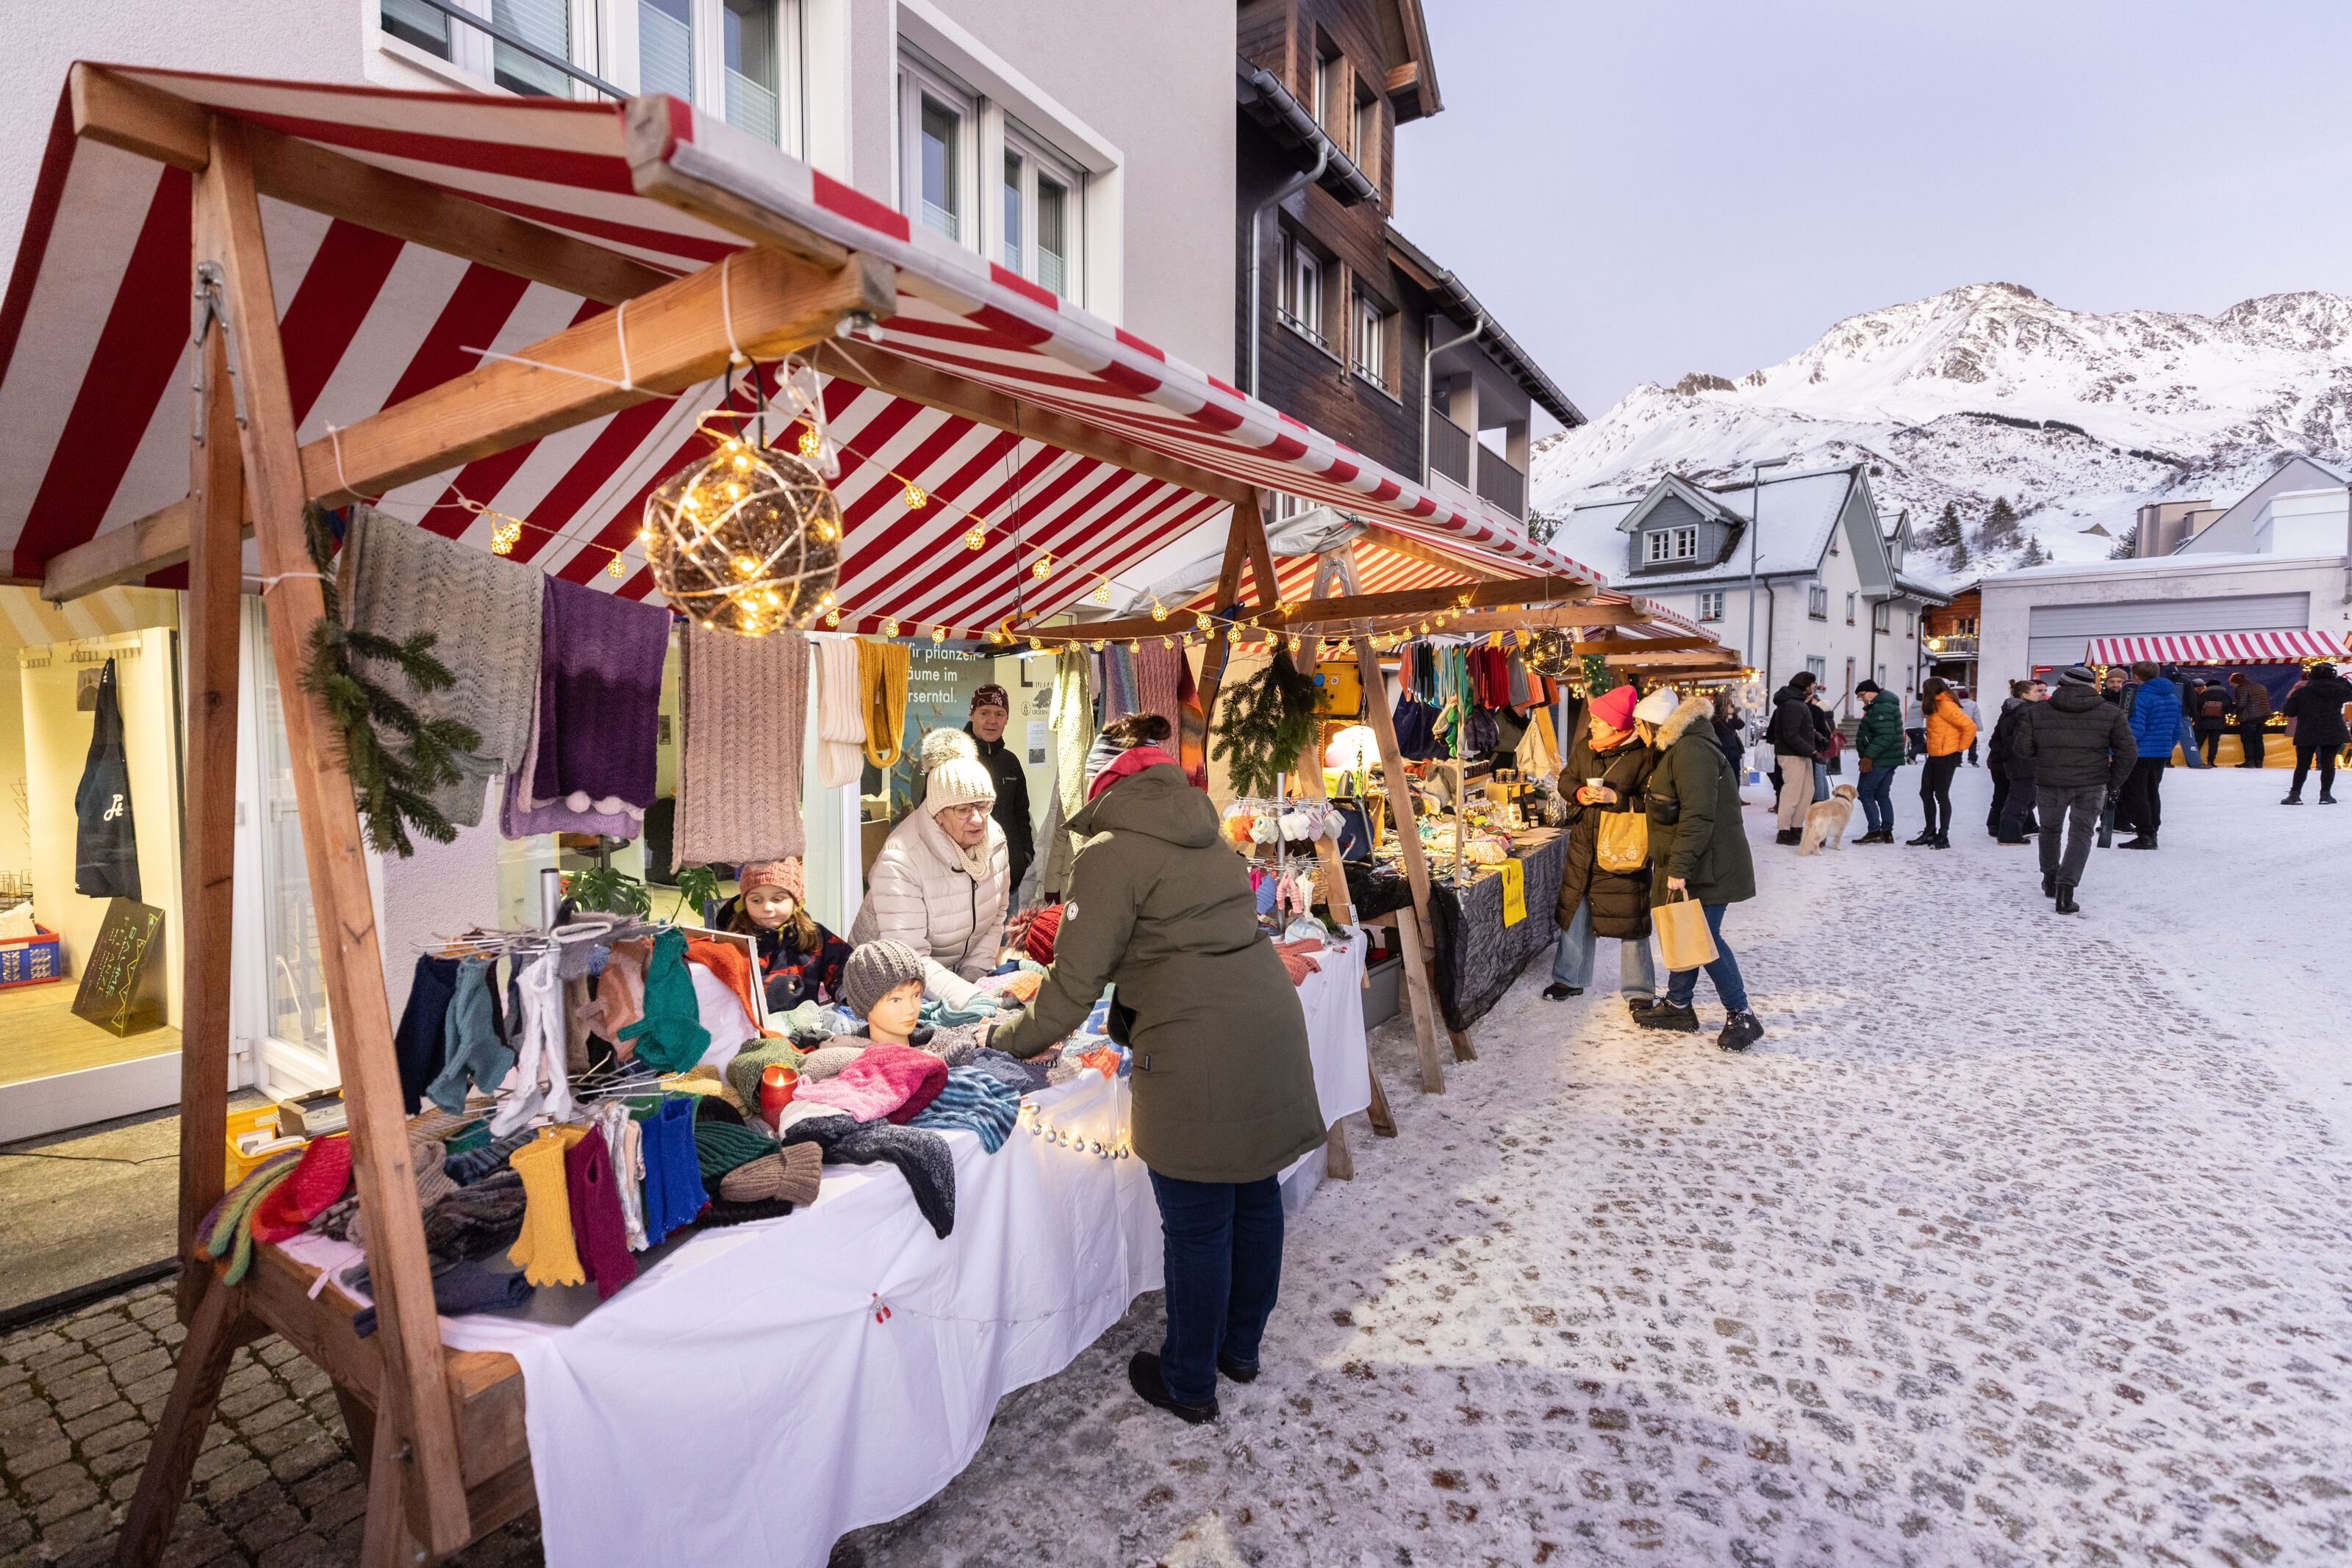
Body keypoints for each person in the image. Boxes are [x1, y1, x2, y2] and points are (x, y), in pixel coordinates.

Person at [987, 736, 1323, 1424]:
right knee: (1254, 1194)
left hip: (1199, 1048)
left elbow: (1073, 984)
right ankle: (1239, 1349)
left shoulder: (1111, 854)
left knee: (1199, 1223)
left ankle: (1190, 1381)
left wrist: (1005, 1037)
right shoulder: (1208, 838)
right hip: (1266, 1029)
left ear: (1109, 793)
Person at [1630, 688, 1763, 1051]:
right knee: (1690, 932)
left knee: (1704, 939)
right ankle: (1678, 1005)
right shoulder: (1682, 747)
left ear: (1652, 724)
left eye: (1639, 725)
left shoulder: (1691, 751)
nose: (1638, 732)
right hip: (1701, 861)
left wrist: (1679, 866)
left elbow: (1698, 815)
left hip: (1710, 864)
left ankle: (1742, 1014)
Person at [848, 729, 1013, 1011]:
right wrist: (971, 998)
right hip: (887, 985)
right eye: (962, 809)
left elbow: (996, 915)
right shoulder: (901, 859)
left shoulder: (995, 841)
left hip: (950, 978)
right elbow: (909, 957)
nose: (978, 820)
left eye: (984, 805)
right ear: (938, 813)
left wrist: (974, 975)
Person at [1544, 684, 1658, 1011]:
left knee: (1630, 914)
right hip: (1584, 844)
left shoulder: (1644, 755)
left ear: (1616, 724)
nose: (1591, 724)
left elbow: (1653, 802)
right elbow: (1566, 779)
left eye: (1597, 719)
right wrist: (1579, 793)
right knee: (1576, 910)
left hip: (1623, 846)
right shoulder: (1586, 748)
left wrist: (1616, 798)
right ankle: (1569, 978)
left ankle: (1639, 990)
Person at [2014, 665, 2136, 914]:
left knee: (2050, 830)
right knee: (2081, 834)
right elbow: (2128, 752)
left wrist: (2047, 754)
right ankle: (2065, 892)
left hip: (2050, 781)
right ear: (2093, 686)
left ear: (2061, 684)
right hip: (2091, 782)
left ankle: (2050, 878)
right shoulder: (2110, 713)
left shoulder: (2039, 712)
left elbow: (2023, 749)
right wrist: (2113, 781)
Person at [714, 857, 851, 1013]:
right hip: (752, 1032)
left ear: (796, 901)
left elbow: (846, 966)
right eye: (756, 900)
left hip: (804, 1029)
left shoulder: (814, 935)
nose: (767, 907)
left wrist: (848, 993)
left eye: (778, 899)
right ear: (744, 903)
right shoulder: (734, 941)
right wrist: (768, 989)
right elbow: (721, 991)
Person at [964, 685, 1034, 896]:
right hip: (967, 887)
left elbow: (1022, 814)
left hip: (1009, 884)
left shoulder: (1011, 762)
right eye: (984, 712)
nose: (992, 720)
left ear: (1007, 719)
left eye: (999, 714)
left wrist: (1025, 856)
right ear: (972, 715)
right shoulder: (954, 760)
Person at [1910, 677, 1975, 849]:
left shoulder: (1946, 705)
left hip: (1947, 755)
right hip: (1935, 754)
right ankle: (1930, 831)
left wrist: (1961, 748)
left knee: (1941, 795)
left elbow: (1969, 727)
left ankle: (1943, 835)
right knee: (1925, 792)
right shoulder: (1936, 705)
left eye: (1925, 689)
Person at [2117, 660, 2176, 849]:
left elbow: (2136, 729)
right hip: (2160, 753)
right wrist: (2167, 747)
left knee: (2136, 793)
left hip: (2140, 753)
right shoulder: (2172, 697)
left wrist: (2117, 749)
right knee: (2152, 792)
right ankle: (2152, 830)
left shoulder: (2141, 697)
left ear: (2136, 676)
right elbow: (2177, 729)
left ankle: (2145, 834)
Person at [1765, 672, 1825, 846]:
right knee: (1792, 794)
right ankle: (1784, 831)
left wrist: (1817, 736)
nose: (1815, 688)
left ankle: (1796, 828)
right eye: (1814, 685)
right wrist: (1813, 752)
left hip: (1801, 753)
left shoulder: (1797, 703)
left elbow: (1798, 729)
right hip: (1792, 754)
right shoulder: (1792, 704)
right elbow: (1790, 734)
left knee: (1807, 792)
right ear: (1807, 686)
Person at [2281, 661, 2351, 804]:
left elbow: (2289, 711)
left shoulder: (2302, 692)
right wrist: (2342, 680)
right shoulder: (2338, 691)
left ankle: (2295, 794)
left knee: (2302, 764)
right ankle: (2325, 795)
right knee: (2328, 763)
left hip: (2307, 730)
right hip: (2332, 730)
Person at [1851, 678, 1904, 843]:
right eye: (1859, 697)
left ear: (1872, 691)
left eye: (1862, 695)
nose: (1862, 699)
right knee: (1881, 794)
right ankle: (1887, 831)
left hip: (1880, 759)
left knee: (1865, 793)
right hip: (1886, 758)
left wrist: (1869, 756)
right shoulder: (1884, 705)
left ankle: (1875, 830)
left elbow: (1886, 736)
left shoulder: (1882, 707)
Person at [2229, 670, 2270, 767]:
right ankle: (2259, 761)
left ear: (2236, 682)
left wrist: (2233, 706)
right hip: (2263, 715)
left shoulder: (2242, 689)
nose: (2231, 685)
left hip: (2249, 717)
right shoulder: (2260, 686)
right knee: (2258, 738)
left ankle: (2250, 761)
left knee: (2248, 739)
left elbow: (2241, 704)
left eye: (2231, 683)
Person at [2175, 675, 2211, 769]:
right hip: (2183, 715)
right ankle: (2195, 762)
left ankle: (2164, 761)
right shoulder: (2186, 681)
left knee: (2165, 739)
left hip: (2166, 715)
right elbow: (2191, 700)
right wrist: (2195, 715)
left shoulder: (2163, 681)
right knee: (2189, 739)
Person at [1709, 688, 1746, 771]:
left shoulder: (1710, 715)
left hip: (1716, 749)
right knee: (1735, 773)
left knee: (1720, 774)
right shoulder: (1731, 714)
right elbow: (1741, 725)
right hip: (1733, 749)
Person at [1958, 687, 1984, 766]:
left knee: (1959, 744)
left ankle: (1958, 760)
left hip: (1959, 728)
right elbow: (1977, 717)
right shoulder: (1973, 704)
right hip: (1970, 727)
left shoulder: (1956, 704)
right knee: (1973, 743)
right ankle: (1972, 759)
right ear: (1967, 696)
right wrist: (1979, 727)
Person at [1902, 689, 1926, 763]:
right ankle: (1909, 755)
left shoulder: (1911, 707)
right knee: (1920, 744)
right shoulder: (1922, 707)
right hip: (1917, 727)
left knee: (1914, 744)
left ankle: (1912, 759)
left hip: (1908, 728)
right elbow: (1926, 715)